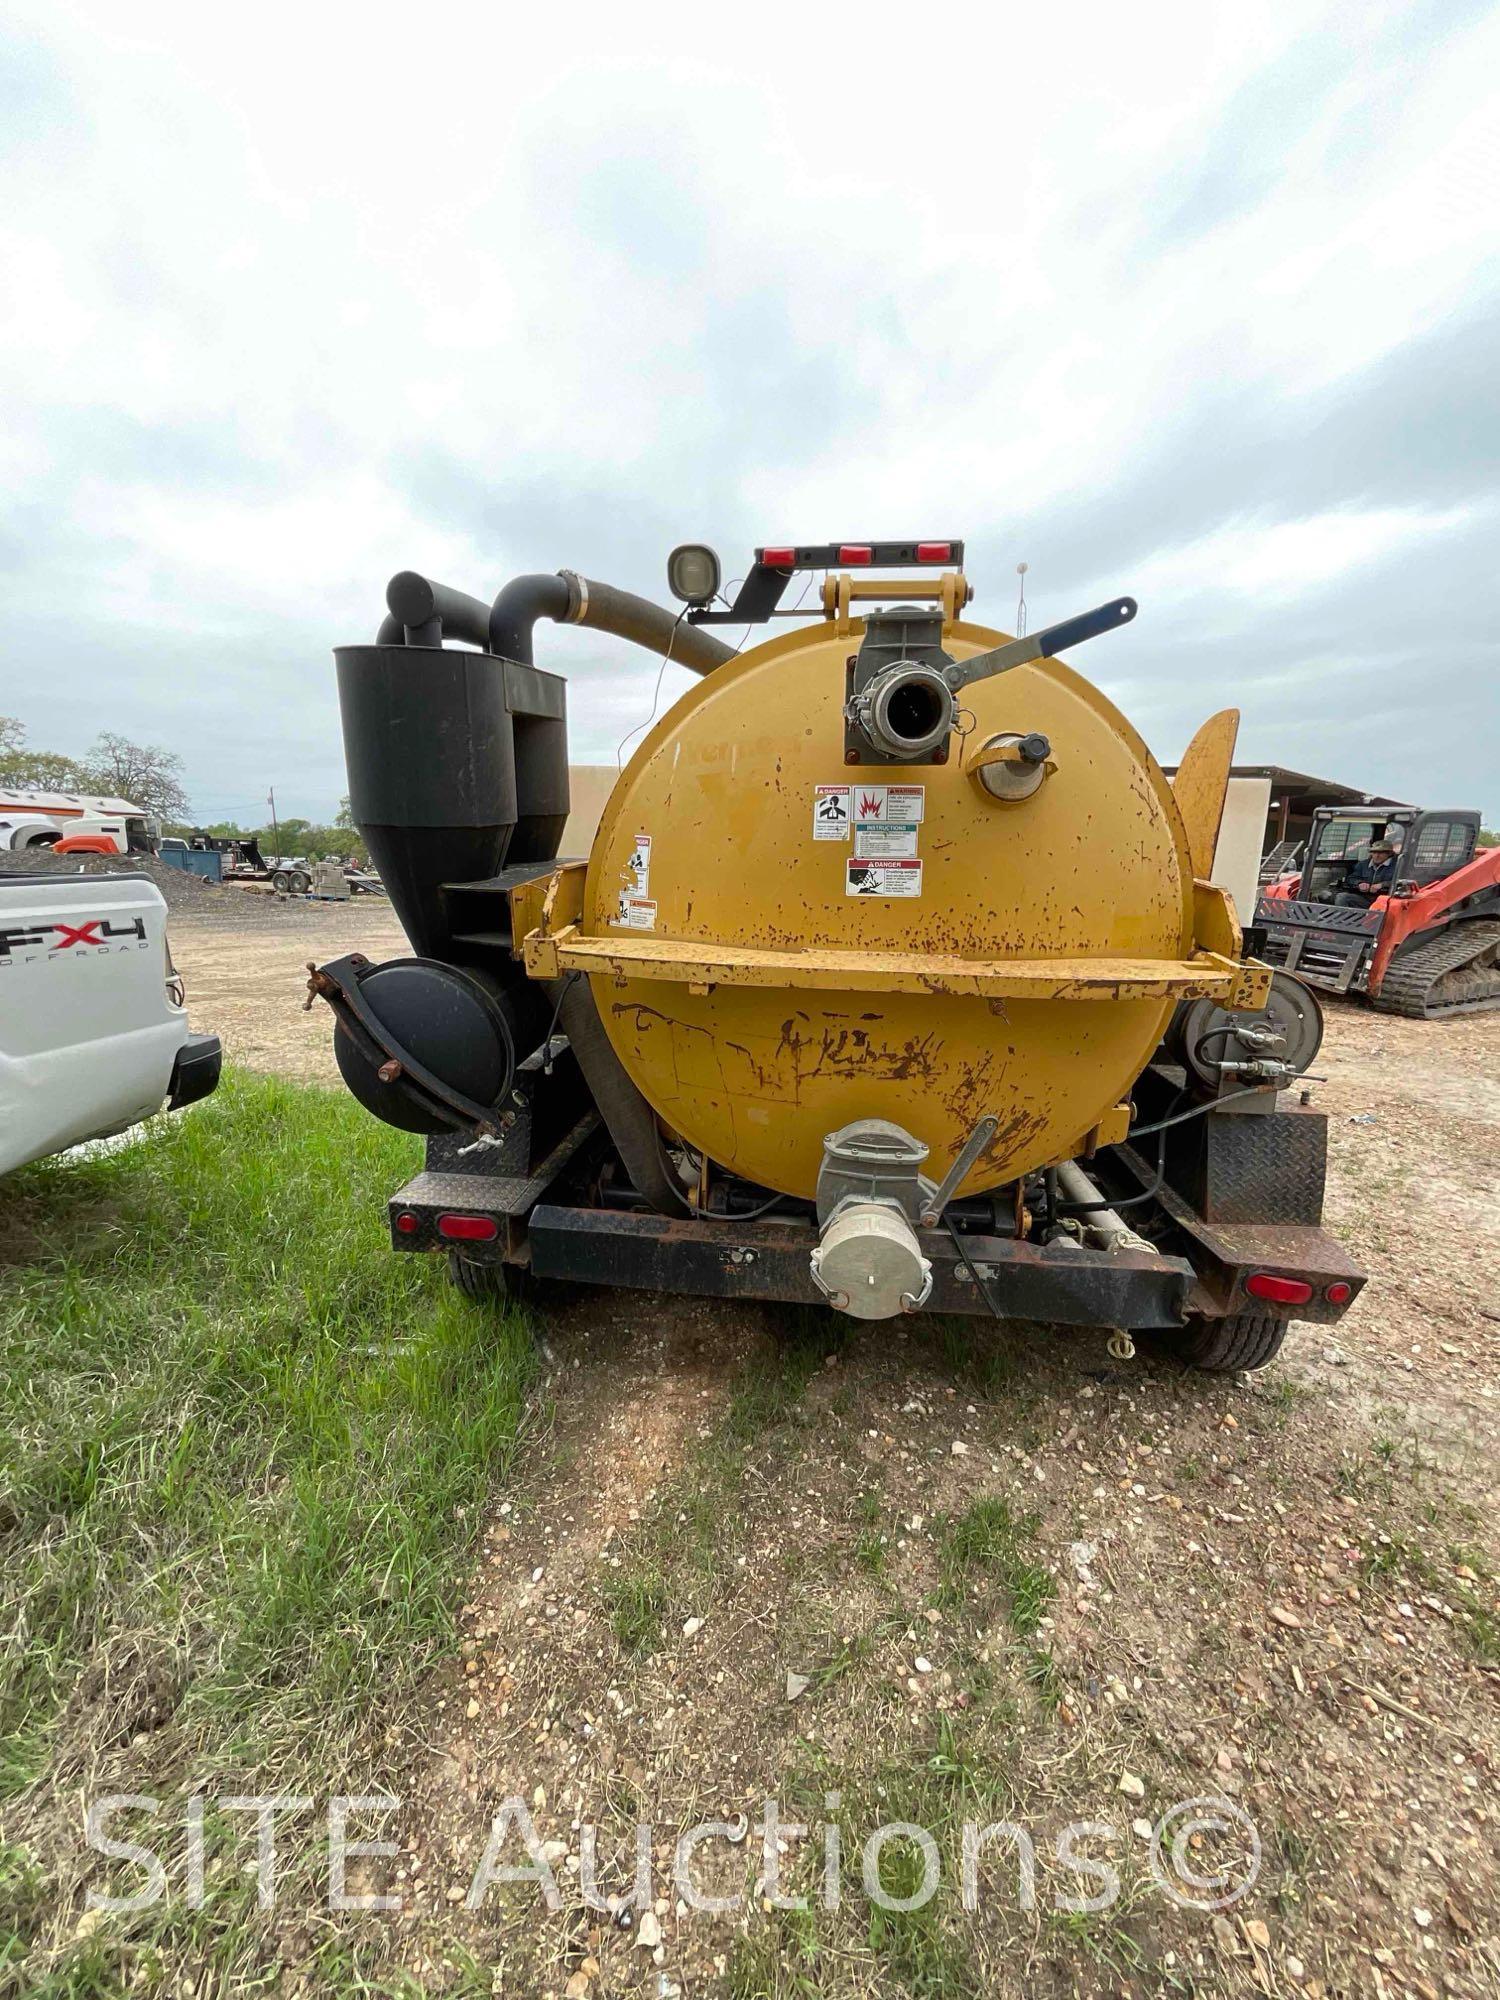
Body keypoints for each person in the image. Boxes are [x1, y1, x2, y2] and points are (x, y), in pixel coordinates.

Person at [1333, 839, 1397, 907]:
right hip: (1365, 899)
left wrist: (1382, 885)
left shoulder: (1397, 866)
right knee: (1342, 897)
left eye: (1381, 853)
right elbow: (1351, 878)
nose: (1376, 855)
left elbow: (1401, 882)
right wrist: (1360, 883)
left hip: (1387, 901)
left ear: (1389, 853)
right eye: (1374, 852)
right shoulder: (1363, 864)